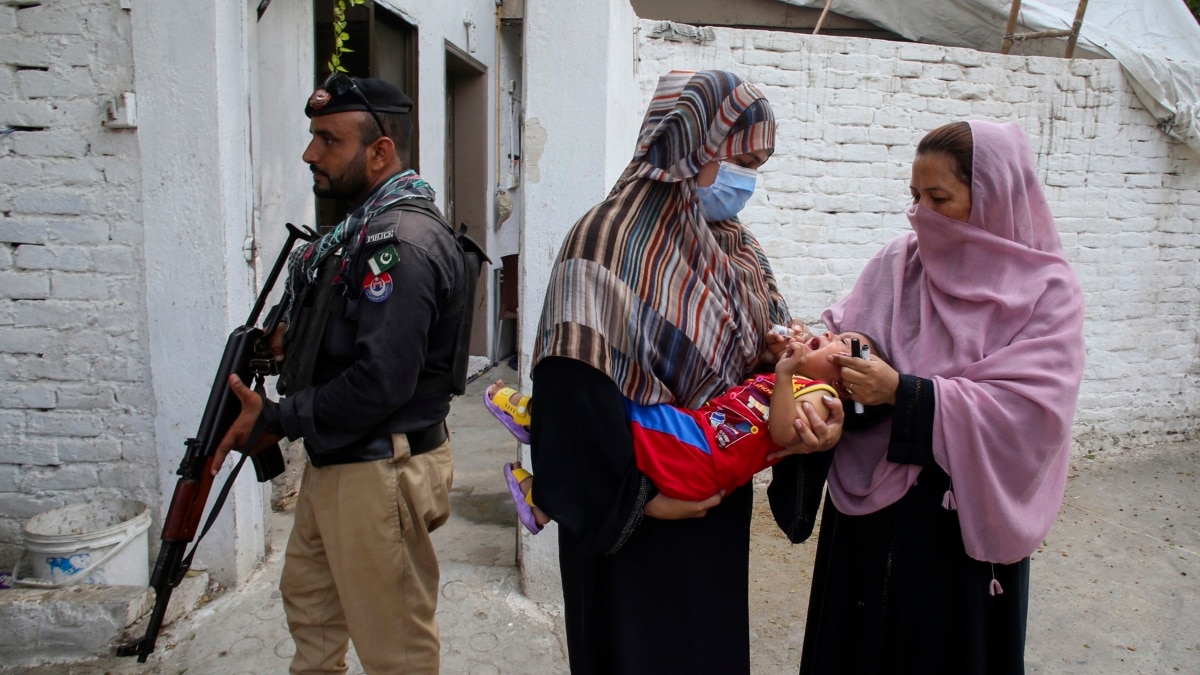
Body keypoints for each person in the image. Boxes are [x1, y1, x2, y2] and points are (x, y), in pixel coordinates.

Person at [528, 69, 844, 674]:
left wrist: (807, 401)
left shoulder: (738, 250)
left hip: (714, 515)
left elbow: (767, 362)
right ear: (688, 144)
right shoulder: (603, 242)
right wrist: (642, 501)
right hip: (632, 528)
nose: (747, 178)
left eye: (759, 163)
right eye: (740, 158)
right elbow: (570, 399)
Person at [773, 120, 1086, 673]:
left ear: (993, 199)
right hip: (869, 520)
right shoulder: (898, 263)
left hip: (955, 530)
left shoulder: (1047, 292)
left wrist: (907, 392)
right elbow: (844, 345)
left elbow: (1033, 416)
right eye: (914, 196)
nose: (921, 213)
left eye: (939, 197)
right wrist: (820, 374)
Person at [212, 74, 465, 673]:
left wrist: (279, 418)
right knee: (312, 614)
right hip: (340, 460)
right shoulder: (354, 235)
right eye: (312, 137)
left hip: (379, 469)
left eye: (329, 140)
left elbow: (382, 380)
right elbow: (350, 337)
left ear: (380, 151)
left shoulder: (397, 243)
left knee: (395, 650)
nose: (310, 154)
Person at [488, 330, 873, 533]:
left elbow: (786, 433)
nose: (835, 338)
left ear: (848, 382)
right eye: (839, 333)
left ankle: (536, 416)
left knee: (614, 408)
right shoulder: (795, 380)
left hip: (701, 453)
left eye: (846, 347)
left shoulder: (822, 396)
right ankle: (542, 503)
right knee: (614, 435)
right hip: (698, 439)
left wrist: (787, 373)